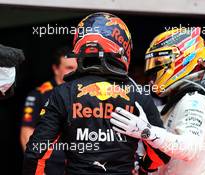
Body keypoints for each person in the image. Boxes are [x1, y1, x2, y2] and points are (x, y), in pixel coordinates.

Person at [23, 12, 170, 175]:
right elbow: (161, 153)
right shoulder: (138, 93)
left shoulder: (63, 92)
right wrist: (144, 167)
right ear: (122, 46)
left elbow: (34, 153)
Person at [110, 27, 205, 174]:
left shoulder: (194, 100)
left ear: (184, 58)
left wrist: (146, 131)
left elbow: (189, 148)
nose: (153, 70)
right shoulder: (184, 100)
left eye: (160, 60)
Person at [20, 46, 77, 175]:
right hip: (49, 165)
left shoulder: (84, 92)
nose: (74, 72)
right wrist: (36, 167)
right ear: (56, 69)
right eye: (69, 68)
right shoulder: (39, 94)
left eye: (76, 68)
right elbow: (26, 132)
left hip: (78, 163)